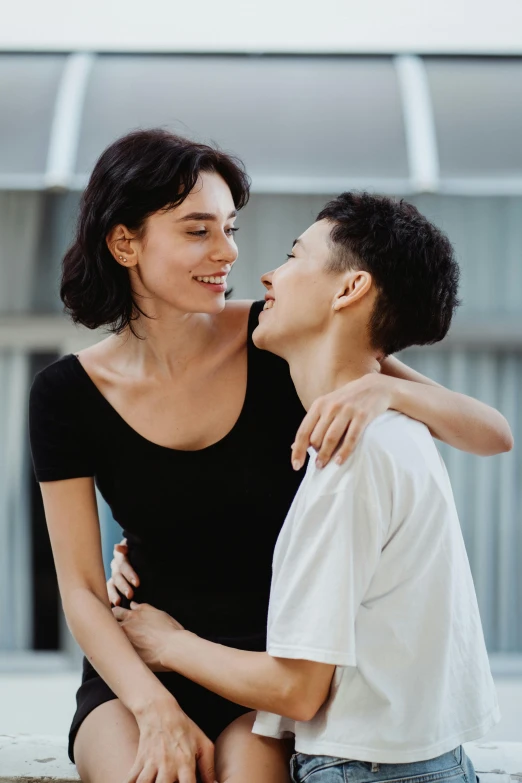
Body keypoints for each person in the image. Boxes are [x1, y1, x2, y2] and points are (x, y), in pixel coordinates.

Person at [29, 128, 511, 783]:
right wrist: (153, 704)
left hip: (273, 667)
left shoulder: (277, 337)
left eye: (229, 227)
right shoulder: (65, 394)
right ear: (125, 242)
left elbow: (492, 433)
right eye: (198, 230)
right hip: (141, 658)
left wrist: (383, 389)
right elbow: (82, 589)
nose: (228, 251)